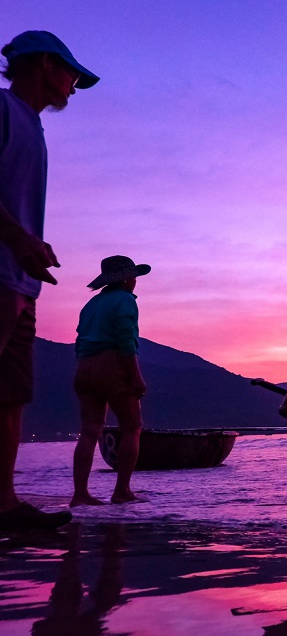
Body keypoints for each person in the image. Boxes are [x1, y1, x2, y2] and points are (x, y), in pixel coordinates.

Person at [0, 31, 99, 530]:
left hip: (21, 278)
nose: (74, 87)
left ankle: (5, 506)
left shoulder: (34, 128)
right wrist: (19, 240)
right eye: (71, 75)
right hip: (2, 270)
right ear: (42, 64)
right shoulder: (2, 109)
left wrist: (32, 245)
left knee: (11, 393)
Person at [70, 256, 150, 507]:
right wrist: (136, 377)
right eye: (134, 276)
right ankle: (122, 491)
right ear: (126, 278)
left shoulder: (91, 304)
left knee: (90, 429)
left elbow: (79, 339)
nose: (135, 281)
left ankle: (80, 495)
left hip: (84, 366)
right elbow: (126, 340)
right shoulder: (125, 300)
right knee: (132, 427)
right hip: (112, 364)